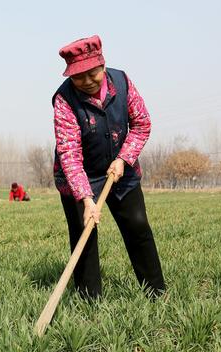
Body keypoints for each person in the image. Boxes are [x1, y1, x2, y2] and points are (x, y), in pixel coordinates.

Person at [52, 35, 164, 299]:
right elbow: (69, 153)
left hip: (121, 172)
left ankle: (156, 293)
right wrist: (86, 199)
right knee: (84, 235)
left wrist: (124, 158)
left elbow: (141, 124)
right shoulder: (64, 100)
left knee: (137, 226)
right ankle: (90, 301)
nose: (87, 81)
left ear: (103, 65)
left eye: (93, 73)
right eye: (79, 77)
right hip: (80, 177)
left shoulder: (123, 83)